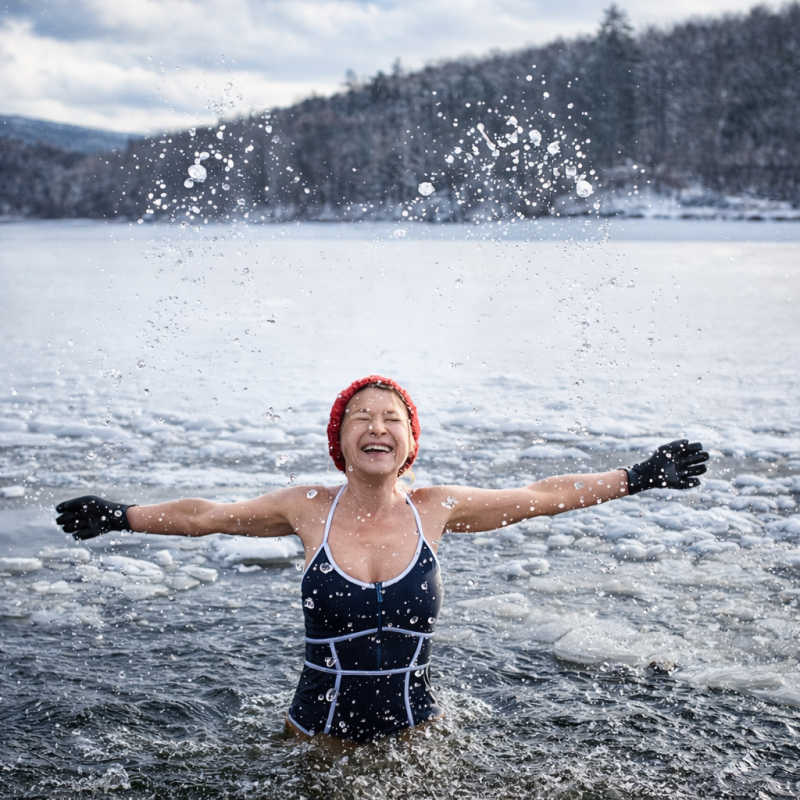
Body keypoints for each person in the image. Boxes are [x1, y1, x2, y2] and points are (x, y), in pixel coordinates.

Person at [55, 374, 709, 743]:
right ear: (340, 441)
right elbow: (206, 517)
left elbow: (539, 496)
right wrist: (121, 516)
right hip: (315, 738)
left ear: (410, 440)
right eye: (360, 417)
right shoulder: (308, 507)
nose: (376, 427)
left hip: (416, 737)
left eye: (391, 418)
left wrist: (639, 475)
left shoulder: (437, 508)